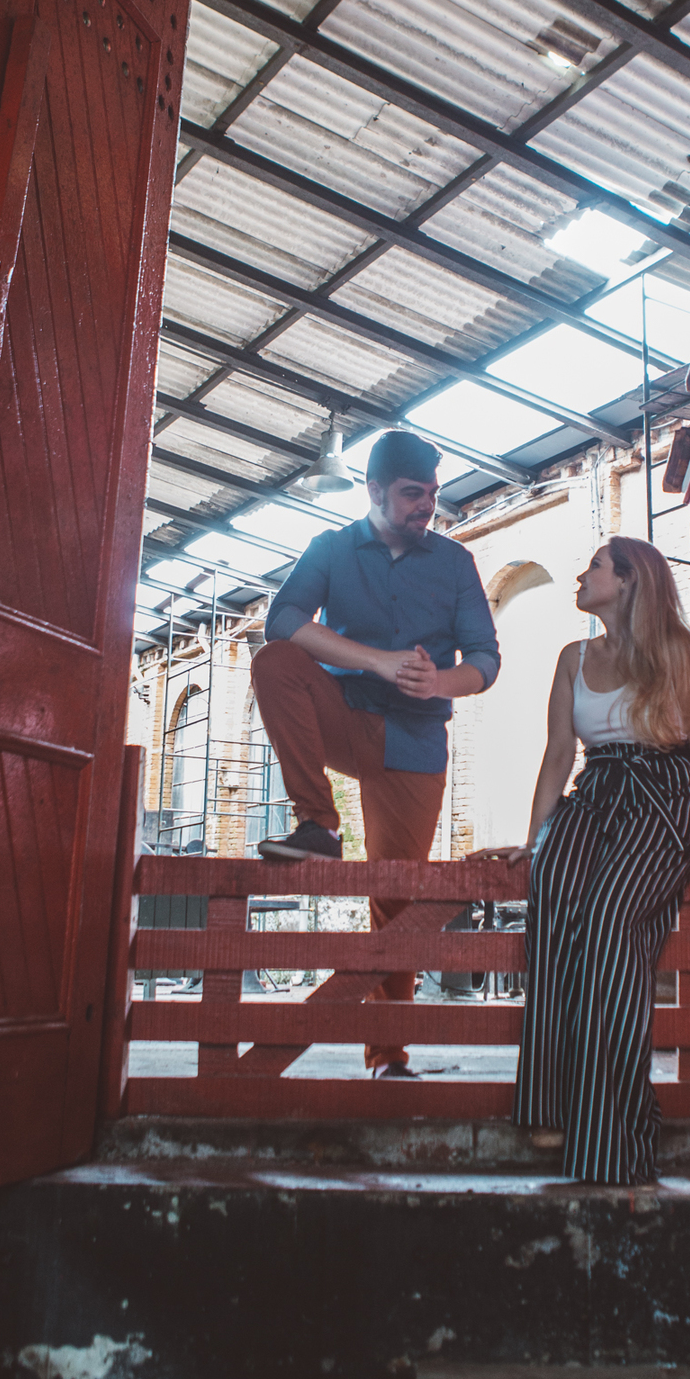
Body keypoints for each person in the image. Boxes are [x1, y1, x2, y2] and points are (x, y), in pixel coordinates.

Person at [473, 536, 690, 1185]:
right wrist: (532, 837)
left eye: (595, 568)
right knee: (550, 888)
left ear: (631, 582)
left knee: (609, 923)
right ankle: (552, 1105)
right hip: (596, 793)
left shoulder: (678, 654)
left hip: (664, 799)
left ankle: (617, 1138)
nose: (581, 576)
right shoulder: (572, 657)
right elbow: (558, 754)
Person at [250, 430, 500, 1077]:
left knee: (396, 896)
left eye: (433, 495)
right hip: (347, 719)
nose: (426, 507)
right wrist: (376, 663)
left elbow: (484, 659)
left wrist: (441, 682)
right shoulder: (330, 549)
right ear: (376, 491)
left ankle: (388, 1056)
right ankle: (318, 825)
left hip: (416, 741)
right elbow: (284, 621)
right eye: (413, 494)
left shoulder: (453, 562)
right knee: (276, 663)